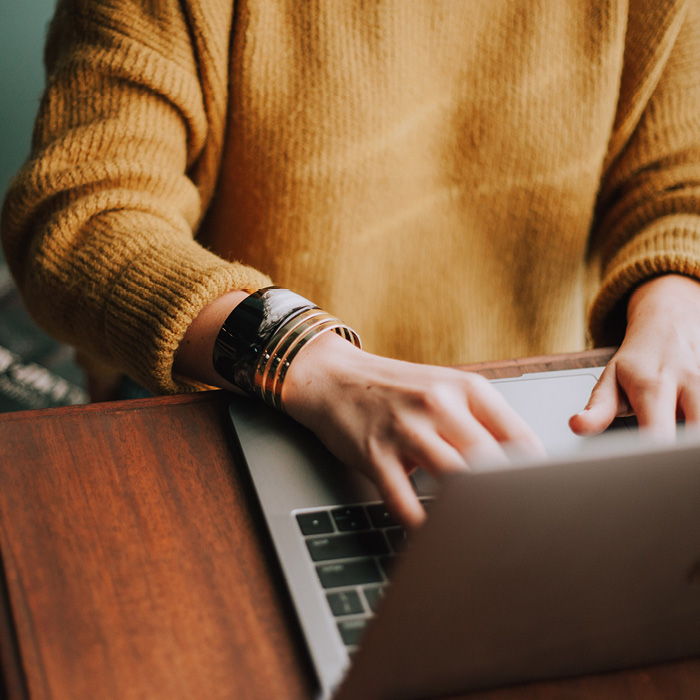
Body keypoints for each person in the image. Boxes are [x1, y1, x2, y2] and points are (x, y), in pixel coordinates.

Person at [2, 0, 700, 527]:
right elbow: (82, 216)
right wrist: (307, 361)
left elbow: (681, 186)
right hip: (243, 410)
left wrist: (675, 306)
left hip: (543, 423)